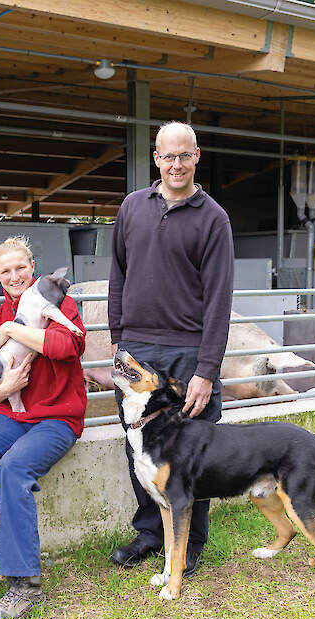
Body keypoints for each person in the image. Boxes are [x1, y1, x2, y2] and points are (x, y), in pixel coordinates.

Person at [108, 121, 234, 577]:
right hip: (138, 348)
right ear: (155, 158)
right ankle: (150, 533)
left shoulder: (213, 218)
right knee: (137, 442)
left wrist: (206, 368)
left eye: (184, 155)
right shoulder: (131, 207)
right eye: (168, 156)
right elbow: (118, 276)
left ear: (196, 156)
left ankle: (191, 542)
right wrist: (118, 338)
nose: (176, 164)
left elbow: (219, 299)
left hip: (187, 352)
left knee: (192, 448)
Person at [0, 235, 87, 619]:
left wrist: (13, 330)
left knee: (13, 468)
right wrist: (7, 388)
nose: (15, 276)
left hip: (57, 418)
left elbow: (68, 347)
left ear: (33, 267)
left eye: (21, 267)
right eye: (5, 270)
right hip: (11, 416)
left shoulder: (60, 305)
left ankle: (24, 585)